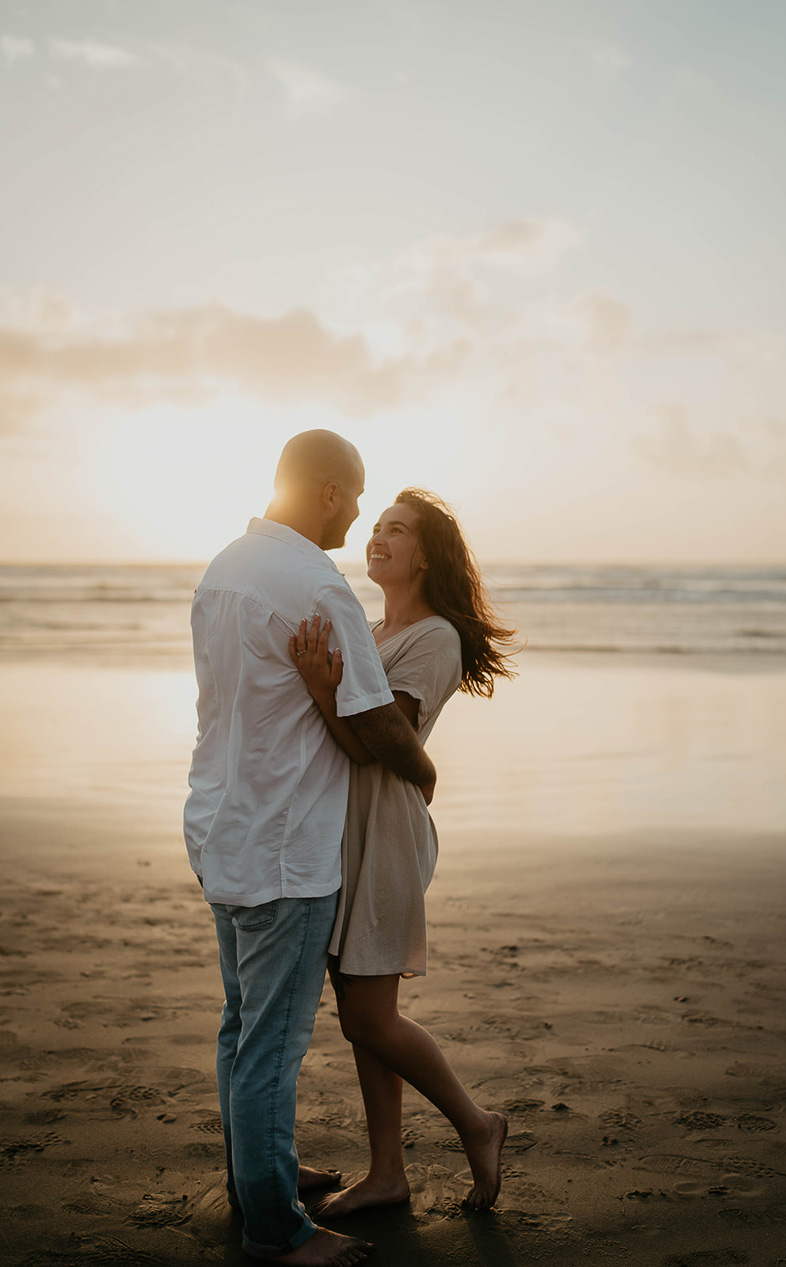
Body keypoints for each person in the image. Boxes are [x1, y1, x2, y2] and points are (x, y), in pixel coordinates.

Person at [183, 433, 437, 1267]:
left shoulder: (226, 565)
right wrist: (425, 766)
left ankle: (258, 1170)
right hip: (287, 845)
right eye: (357, 497)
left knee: (238, 1025)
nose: (361, 515)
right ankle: (275, 1226)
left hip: (222, 823)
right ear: (329, 490)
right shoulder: (313, 582)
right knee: (271, 1043)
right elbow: (373, 728)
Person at [289, 488, 515, 1217]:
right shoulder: (374, 626)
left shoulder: (435, 637)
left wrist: (324, 692)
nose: (378, 537)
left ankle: (478, 1124)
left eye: (397, 530)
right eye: (377, 526)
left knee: (367, 1015)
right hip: (344, 825)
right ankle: (388, 1172)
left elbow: (385, 742)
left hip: (383, 830)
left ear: (426, 553)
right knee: (360, 1003)